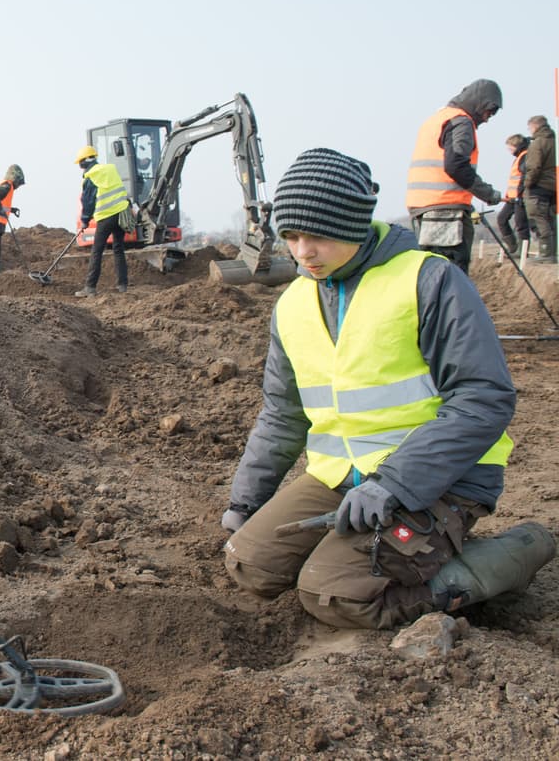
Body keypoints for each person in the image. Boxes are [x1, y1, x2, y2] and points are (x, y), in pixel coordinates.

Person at [222, 147, 555, 630]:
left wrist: (395, 482)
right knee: (250, 564)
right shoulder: (293, 304)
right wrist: (245, 503)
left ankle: (513, 553)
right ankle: (362, 549)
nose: (302, 252)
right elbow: (282, 413)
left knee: (336, 594)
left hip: (441, 479)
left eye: (316, 235)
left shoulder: (429, 280)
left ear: (354, 224)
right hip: (344, 478)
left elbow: (484, 398)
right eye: (290, 236)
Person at [405, 79, 504, 273]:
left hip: (424, 209)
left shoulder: (437, 119)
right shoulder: (461, 122)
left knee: (431, 276)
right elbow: (456, 166)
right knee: (452, 278)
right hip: (446, 212)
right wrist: (489, 194)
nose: (487, 119)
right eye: (489, 112)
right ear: (480, 103)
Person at [72, 145, 130, 297]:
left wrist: (85, 220)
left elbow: (88, 201)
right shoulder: (110, 169)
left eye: (80, 163)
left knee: (97, 250)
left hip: (106, 216)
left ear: (84, 162)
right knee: (118, 249)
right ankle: (122, 285)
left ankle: (90, 287)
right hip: (121, 212)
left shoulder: (91, 176)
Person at [523, 115, 557, 264]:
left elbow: (534, 166)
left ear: (535, 126)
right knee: (549, 219)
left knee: (539, 218)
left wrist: (528, 184)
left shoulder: (538, 143)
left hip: (539, 185)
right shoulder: (552, 140)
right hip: (552, 185)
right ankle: (551, 252)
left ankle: (545, 253)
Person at [497, 134, 530, 257]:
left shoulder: (524, 157)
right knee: (502, 219)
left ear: (516, 146)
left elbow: (524, 177)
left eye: (510, 148)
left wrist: (520, 194)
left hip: (519, 196)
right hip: (511, 197)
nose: (509, 151)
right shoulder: (518, 157)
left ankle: (523, 252)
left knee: (521, 223)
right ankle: (513, 247)